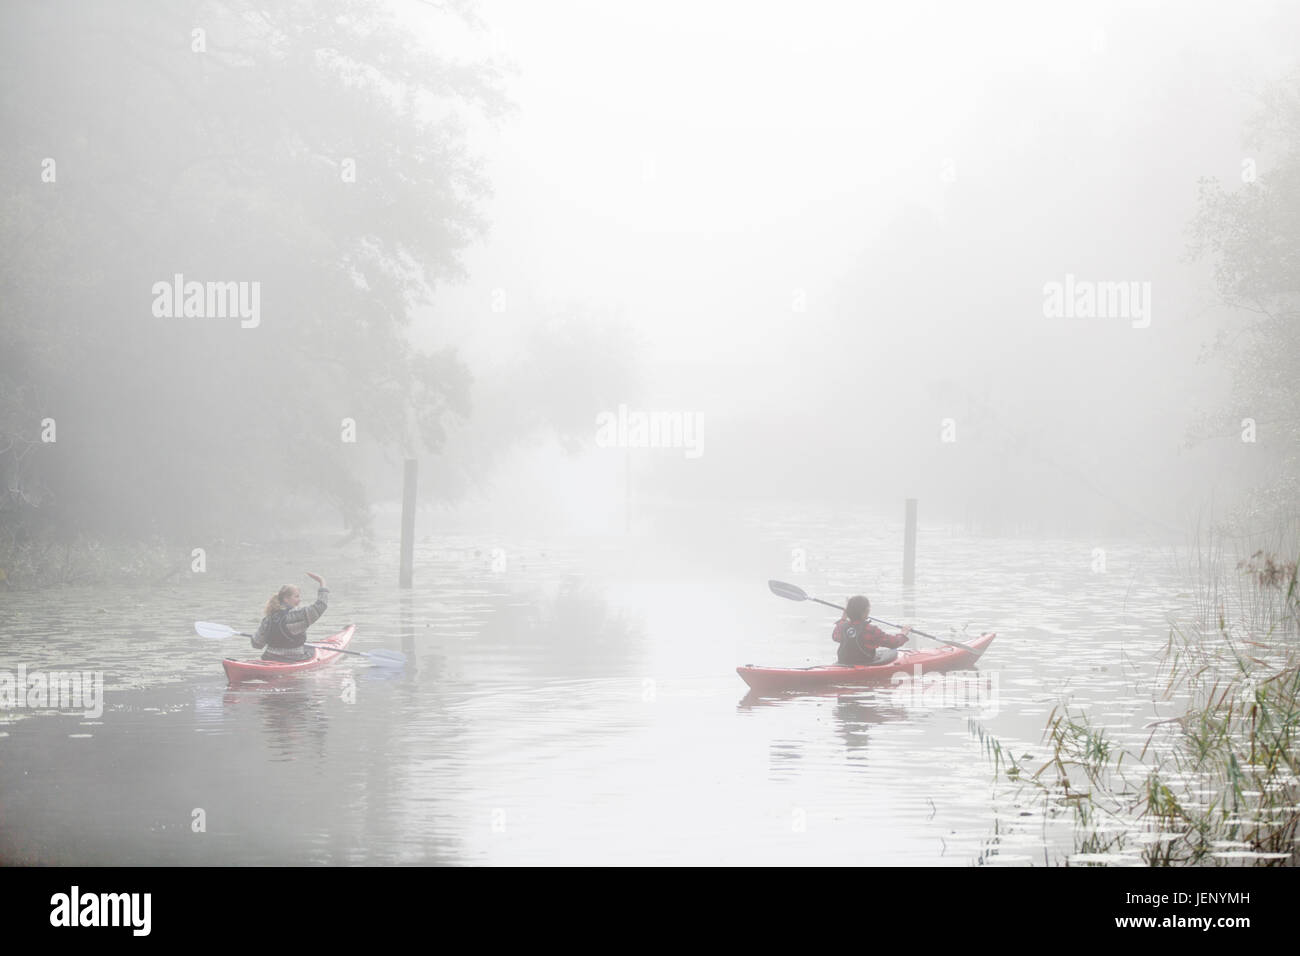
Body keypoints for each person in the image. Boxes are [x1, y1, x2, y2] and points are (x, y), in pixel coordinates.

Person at [253, 572, 329, 662]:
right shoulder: (295, 616)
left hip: (269, 657)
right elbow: (321, 606)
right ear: (286, 599)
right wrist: (322, 582)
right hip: (293, 659)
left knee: (308, 648)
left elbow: (257, 644)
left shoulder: (268, 618)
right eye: (296, 596)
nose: (299, 600)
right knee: (313, 651)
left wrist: (254, 637)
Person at [832, 595, 910, 665]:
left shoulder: (841, 626)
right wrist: (903, 634)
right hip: (864, 662)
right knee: (893, 652)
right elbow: (894, 643)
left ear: (847, 611)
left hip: (844, 662)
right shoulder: (871, 630)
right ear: (866, 611)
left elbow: (835, 637)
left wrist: (844, 616)